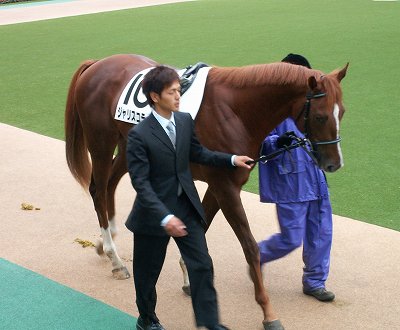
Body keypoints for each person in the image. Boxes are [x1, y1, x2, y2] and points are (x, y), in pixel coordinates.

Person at [126, 65, 253, 330]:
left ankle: (210, 323)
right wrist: (164, 216)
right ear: (154, 96)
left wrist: (231, 159)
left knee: (202, 265)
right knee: (147, 275)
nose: (177, 96)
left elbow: (200, 154)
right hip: (153, 215)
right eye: (171, 92)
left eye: (178, 90)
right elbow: (141, 183)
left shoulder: (184, 121)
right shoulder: (139, 136)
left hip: (187, 207)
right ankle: (146, 318)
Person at [257, 53, 335, 302]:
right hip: (290, 183)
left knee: (322, 233)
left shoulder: (312, 106)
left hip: (316, 180)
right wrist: (276, 141)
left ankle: (314, 281)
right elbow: (257, 144)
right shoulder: (271, 109)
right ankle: (256, 256)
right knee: (290, 238)